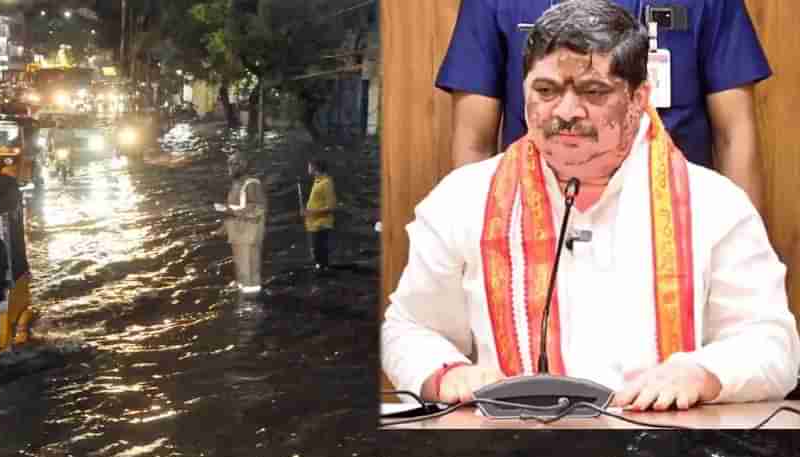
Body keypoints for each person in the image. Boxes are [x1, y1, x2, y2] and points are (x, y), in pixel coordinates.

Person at [382, 0, 799, 412]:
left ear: (639, 98)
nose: (565, 111)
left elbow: (773, 344)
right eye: (545, 91)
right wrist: (445, 372)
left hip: (667, 450)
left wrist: (705, 372)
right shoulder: (463, 201)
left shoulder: (715, 205)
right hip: (511, 451)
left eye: (593, 91)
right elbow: (408, 328)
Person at [437, 0, 770, 211]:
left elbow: (735, 135)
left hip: (673, 222)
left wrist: (747, 255)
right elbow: (473, 142)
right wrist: (472, 257)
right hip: (539, 219)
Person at [217, 151, 267, 293]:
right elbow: (234, 209)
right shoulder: (236, 185)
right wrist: (224, 227)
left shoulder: (251, 184)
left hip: (249, 235)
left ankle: (252, 306)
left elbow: (258, 209)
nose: (231, 167)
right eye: (229, 164)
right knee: (242, 269)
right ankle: (243, 295)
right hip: (238, 235)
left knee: (250, 273)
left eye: (235, 163)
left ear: (244, 165)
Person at [302, 158, 337, 271]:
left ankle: (323, 272)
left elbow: (331, 206)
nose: (308, 168)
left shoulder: (326, 182)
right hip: (314, 223)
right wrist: (307, 212)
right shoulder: (317, 182)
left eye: (309, 166)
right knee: (317, 252)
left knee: (320, 252)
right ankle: (320, 270)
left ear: (315, 167)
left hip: (322, 224)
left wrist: (310, 212)